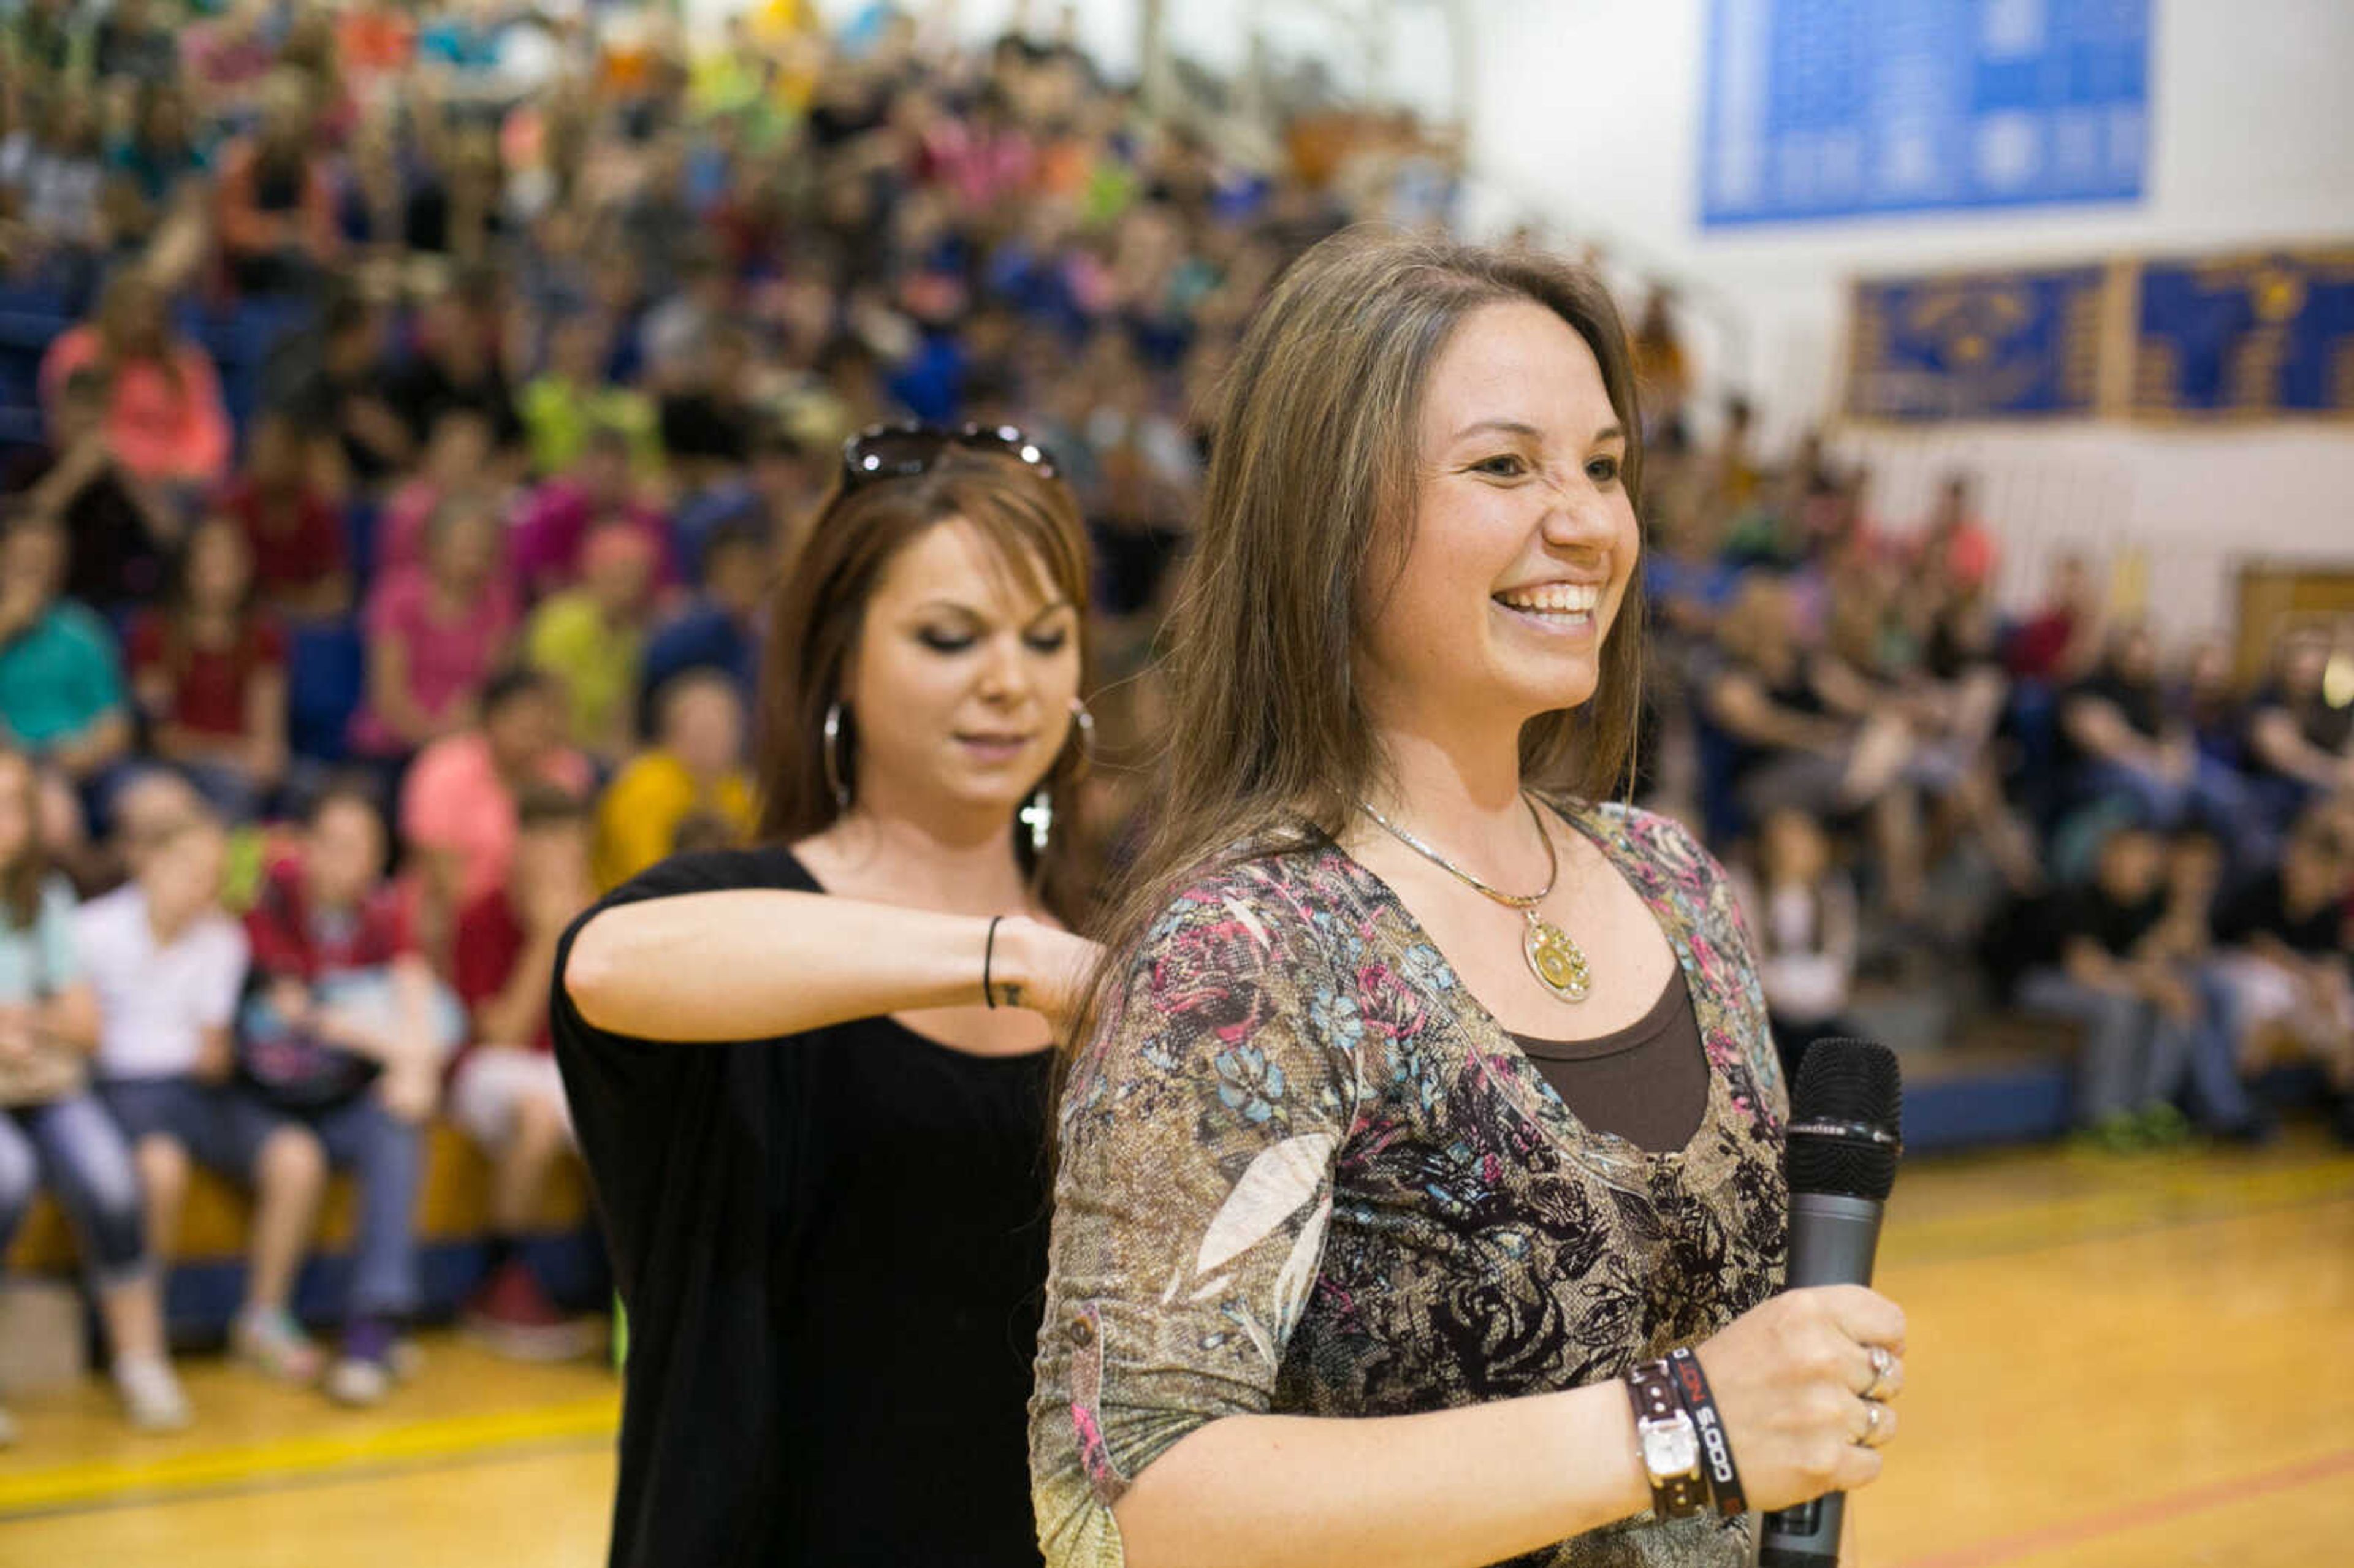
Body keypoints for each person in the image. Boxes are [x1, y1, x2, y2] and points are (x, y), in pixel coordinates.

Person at [1032, 232, 1905, 1568]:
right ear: (1329, 513)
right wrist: (1683, 1429)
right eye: (1505, 465)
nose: (1586, 521)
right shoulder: (1255, 950)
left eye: (1604, 467)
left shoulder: (1673, 880)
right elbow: (1121, 1498)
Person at [554, 426, 1102, 1567]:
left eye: (1046, 640)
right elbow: (603, 965)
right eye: (950, 638)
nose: (1011, 680)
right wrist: (1004, 953)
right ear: (838, 658)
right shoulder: (751, 915)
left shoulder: (1122, 940)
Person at [236, 781, 463, 1404]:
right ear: (304, 846)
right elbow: (301, 1012)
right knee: (298, 1153)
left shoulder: (381, 911)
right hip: (260, 1100)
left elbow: (412, 980)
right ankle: (262, 1316)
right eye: (331, 843)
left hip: (339, 1097)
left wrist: (414, 1063)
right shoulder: (268, 903)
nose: (344, 859)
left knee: (397, 1117)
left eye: (360, 847)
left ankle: (375, 1321)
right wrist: (394, 1047)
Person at [0, 744, 191, 1440]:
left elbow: (84, 1024)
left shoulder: (43, 897)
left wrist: (27, 1022)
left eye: (13, 803)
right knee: (8, 1175)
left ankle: (139, 1358)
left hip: (47, 1082)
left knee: (111, 1175)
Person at [450, 785, 598, 1359]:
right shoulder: (483, 913)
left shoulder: (601, 915)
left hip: (564, 1072)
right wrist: (546, 938)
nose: (563, 861)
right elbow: (503, 1033)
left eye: (573, 847)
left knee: (633, 1117)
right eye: (550, 846)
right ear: (522, 849)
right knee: (537, 1119)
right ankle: (499, 1279)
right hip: (489, 1071)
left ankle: (609, 1285)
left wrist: (583, 930)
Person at [2013, 822, 2205, 1151]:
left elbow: (2175, 952)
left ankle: (2151, 1106)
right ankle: (2099, 1116)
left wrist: (2186, 903)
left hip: (2107, 981)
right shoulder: (2079, 897)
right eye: (2134, 854)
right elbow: (2087, 969)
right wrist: (2149, 984)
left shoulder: (2147, 904)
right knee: (2121, 1004)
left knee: (2176, 994)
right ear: (2108, 857)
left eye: (2149, 856)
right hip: (2036, 980)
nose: (2143, 864)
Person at [126, 514, 288, 821]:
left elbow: (269, 729)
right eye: (209, 556)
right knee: (233, 787)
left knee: (314, 789)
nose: (219, 568)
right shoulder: (154, 634)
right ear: (188, 565)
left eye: (230, 558)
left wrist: (266, 757)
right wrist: (235, 756)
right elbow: (163, 739)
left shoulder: (264, 636)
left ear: (246, 567)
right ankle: (234, 869)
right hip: (181, 764)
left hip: (246, 761)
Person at [349, 492, 519, 760]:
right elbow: (388, 696)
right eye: (466, 545)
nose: (476, 555)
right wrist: (434, 741)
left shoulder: (499, 600)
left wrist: (464, 729)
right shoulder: (396, 596)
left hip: (470, 744)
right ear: (434, 546)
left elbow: (493, 683)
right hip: (395, 745)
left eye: (485, 547)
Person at [36, 271, 232, 493]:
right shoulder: (80, 352)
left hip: (171, 481)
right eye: (132, 313)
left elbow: (208, 433)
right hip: (99, 474)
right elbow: (71, 425)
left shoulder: (186, 363)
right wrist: (131, 461)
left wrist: (182, 467)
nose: (142, 324)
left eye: (150, 315)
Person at [0, 511, 133, 793]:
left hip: (84, 764)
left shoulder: (83, 628)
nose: (34, 569)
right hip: (13, 765)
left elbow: (116, 724)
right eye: (24, 558)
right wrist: (7, 627)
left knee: (166, 804)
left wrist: (86, 756)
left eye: (44, 559)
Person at [593, 669, 757, 891]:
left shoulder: (738, 789)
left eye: (726, 727)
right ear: (672, 731)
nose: (717, 741)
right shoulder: (644, 788)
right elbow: (650, 875)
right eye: (704, 729)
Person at [524, 517, 659, 763]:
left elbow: (622, 717)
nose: (630, 589)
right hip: (553, 749)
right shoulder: (561, 621)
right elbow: (549, 710)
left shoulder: (631, 638)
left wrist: (623, 758)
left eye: (638, 578)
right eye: (620, 576)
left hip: (598, 755)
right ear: (593, 571)